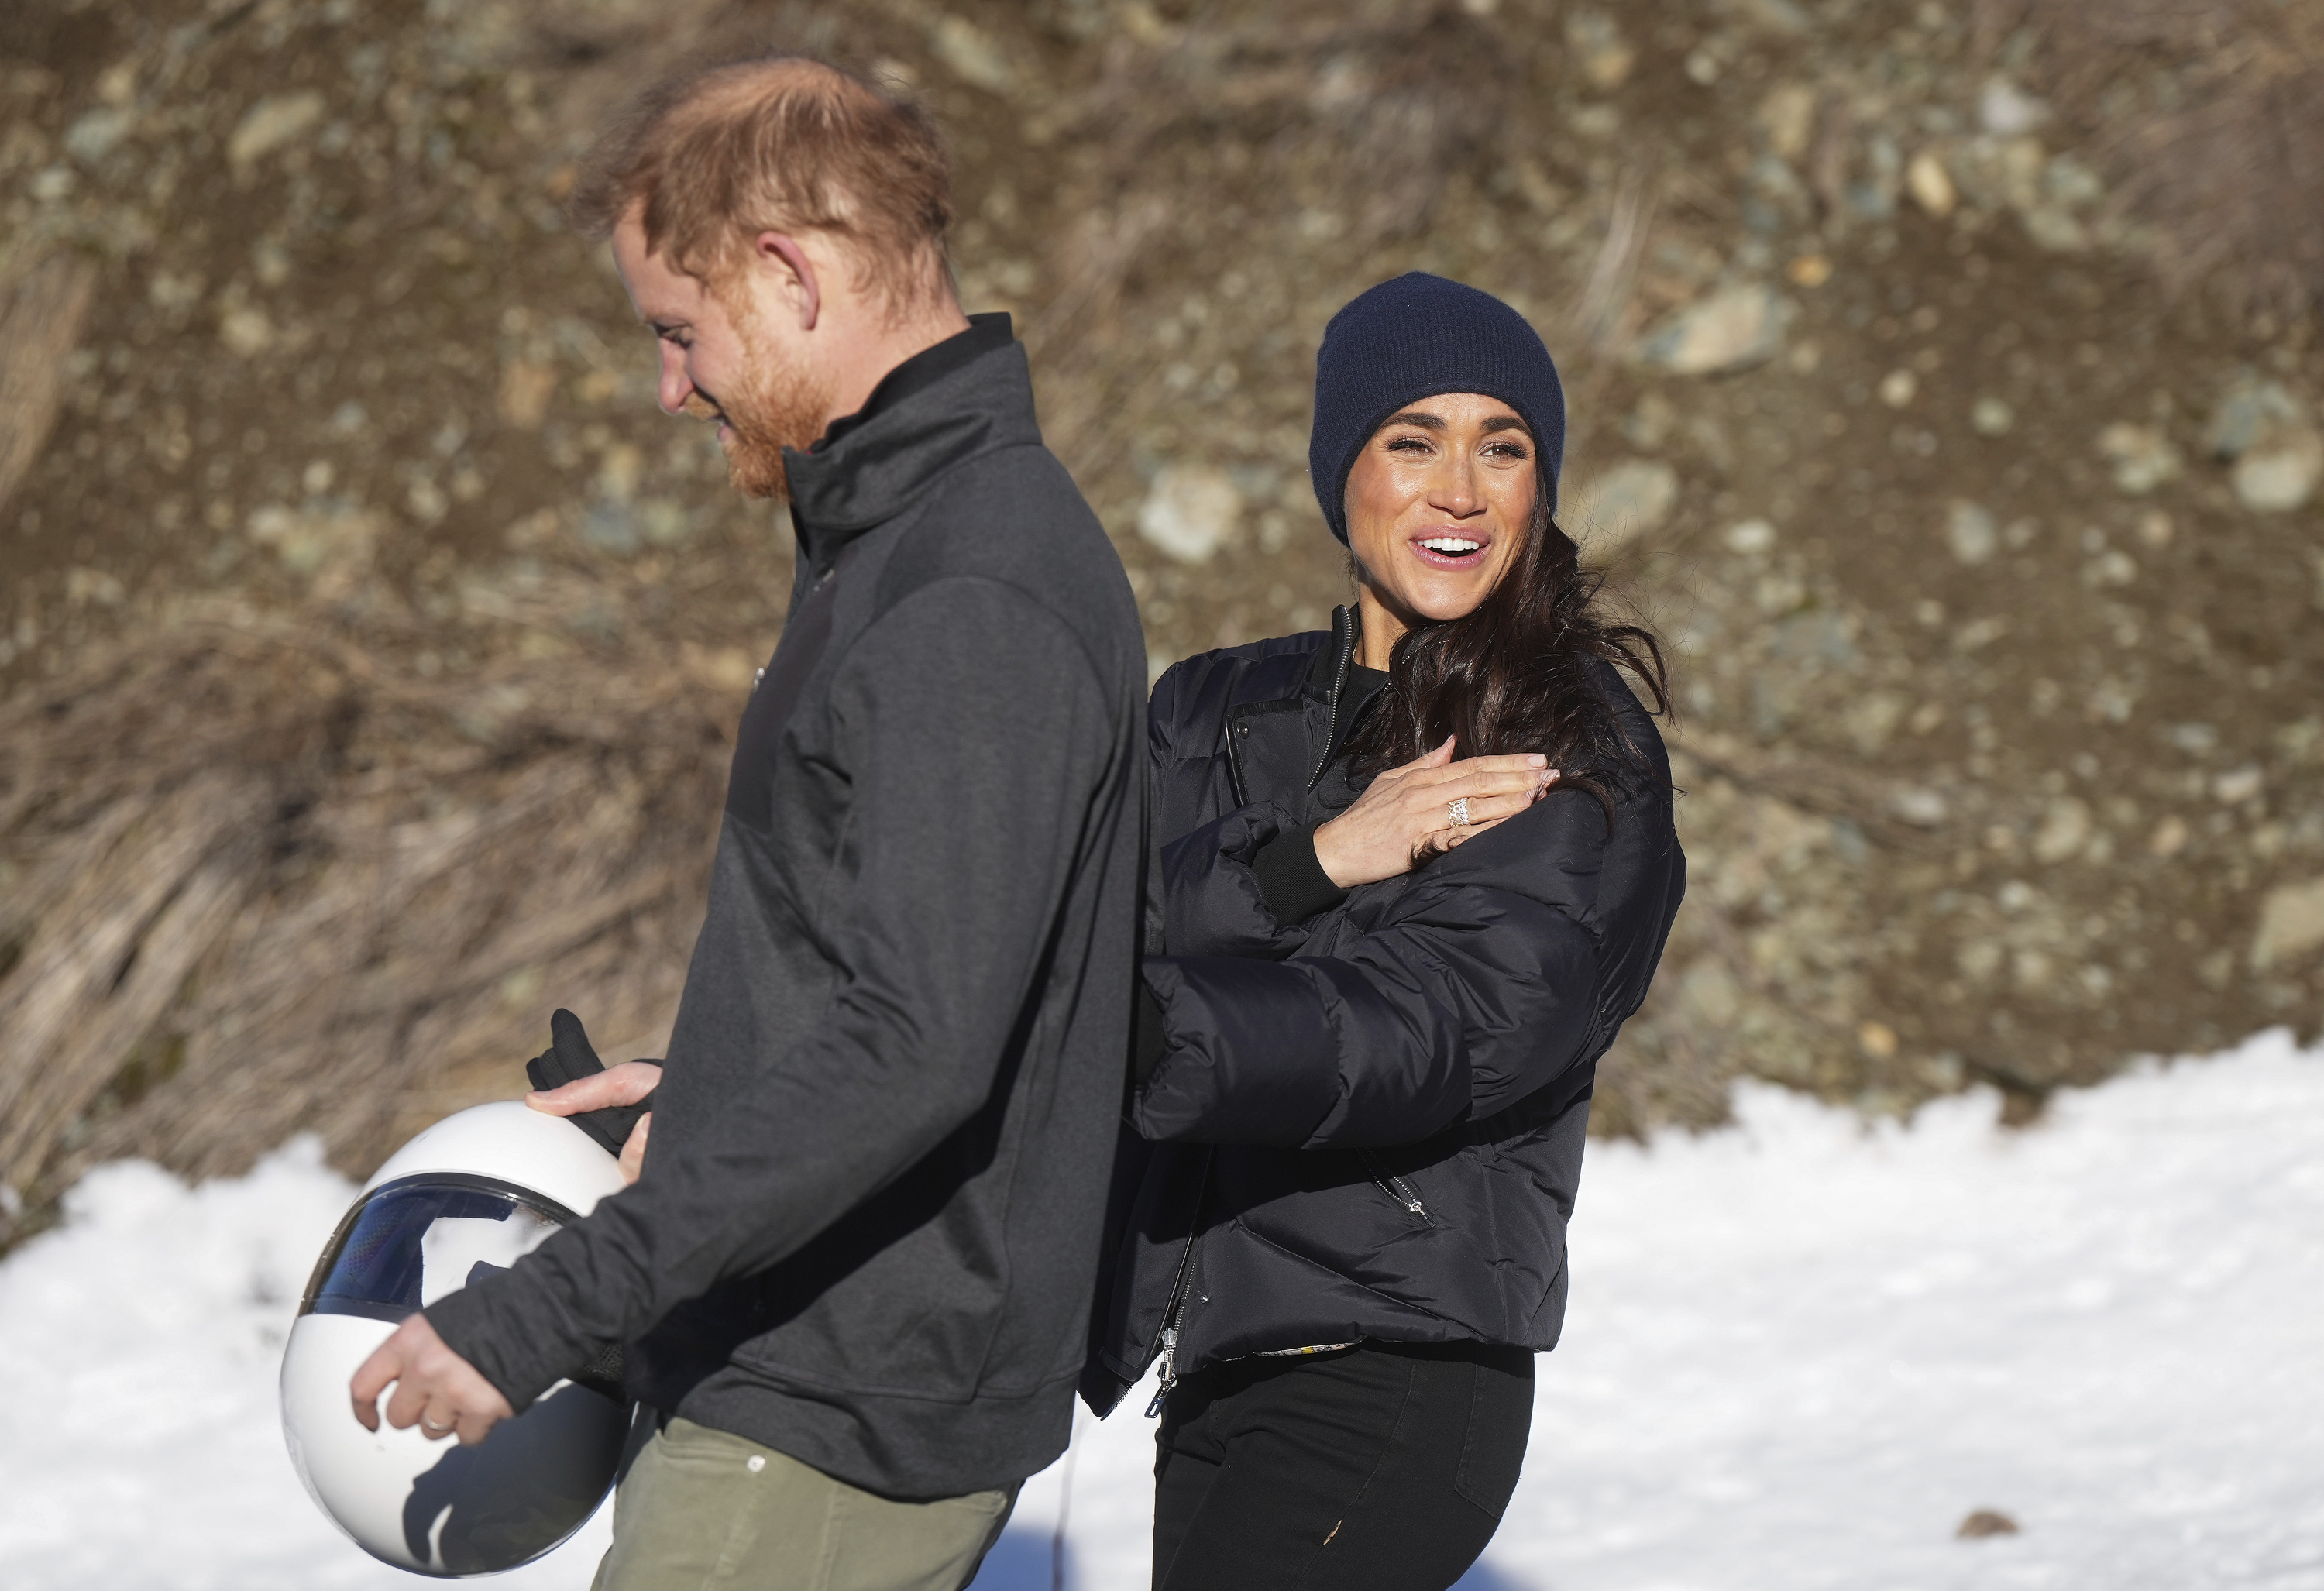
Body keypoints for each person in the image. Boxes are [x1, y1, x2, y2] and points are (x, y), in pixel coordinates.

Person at [349, 54, 1148, 1591]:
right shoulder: (908, 538)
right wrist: (722, 1069)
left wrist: (537, 1312)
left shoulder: (968, 587)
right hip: (809, 1366)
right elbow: (917, 960)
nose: (670, 385)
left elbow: (917, 1041)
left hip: (830, 1409)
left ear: (786, 274)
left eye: (678, 330)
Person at [1082, 273, 1687, 1591]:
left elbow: (1451, 1021)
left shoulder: (1564, 737)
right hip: (1216, 1361)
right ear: (1339, 467)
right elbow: (1071, 923)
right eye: (1414, 440)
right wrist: (1307, 864)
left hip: (1401, 1367)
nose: (1461, 490)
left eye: (1504, 447)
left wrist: (1148, 1023)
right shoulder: (1209, 711)